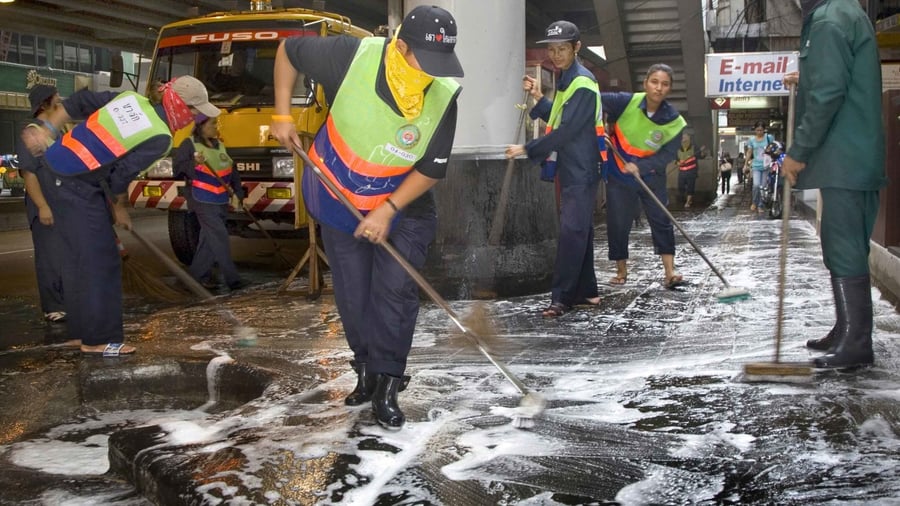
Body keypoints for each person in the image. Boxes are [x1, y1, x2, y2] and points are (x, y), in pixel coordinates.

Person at [271, 5, 463, 429]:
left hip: (405, 206)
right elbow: (288, 51)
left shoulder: (442, 95)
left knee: (395, 294)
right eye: (424, 61)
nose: (432, 73)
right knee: (354, 294)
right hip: (339, 196)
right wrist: (282, 112)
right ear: (402, 46)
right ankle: (366, 370)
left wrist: (387, 209)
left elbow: (431, 168)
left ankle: (389, 383)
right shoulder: (351, 55)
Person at [21, 76, 220, 357]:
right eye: (195, 110)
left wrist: (48, 129)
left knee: (77, 259)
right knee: (101, 261)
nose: (197, 117)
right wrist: (117, 206)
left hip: (53, 170)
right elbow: (120, 176)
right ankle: (100, 339)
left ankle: (81, 334)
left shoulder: (131, 99)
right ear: (180, 106)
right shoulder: (160, 136)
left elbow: (79, 101)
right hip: (78, 183)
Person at [781, 0, 886, 369]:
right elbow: (837, 76)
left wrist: (798, 151)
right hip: (854, 155)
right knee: (843, 243)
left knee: (843, 245)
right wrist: (804, 79)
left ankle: (856, 343)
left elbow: (828, 93)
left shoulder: (828, 20)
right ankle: (847, 330)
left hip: (844, 155)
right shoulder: (847, 13)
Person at [504, 20, 602, 318]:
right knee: (579, 230)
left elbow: (567, 130)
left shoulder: (582, 83)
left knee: (572, 232)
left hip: (581, 168)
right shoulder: (566, 79)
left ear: (577, 48)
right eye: (552, 49)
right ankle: (587, 291)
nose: (556, 55)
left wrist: (527, 148)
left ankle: (561, 298)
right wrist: (538, 96)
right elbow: (559, 118)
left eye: (563, 49)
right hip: (573, 166)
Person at [601, 64, 686, 289]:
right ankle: (621, 270)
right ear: (646, 83)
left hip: (651, 176)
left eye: (665, 84)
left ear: (670, 89)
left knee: (661, 220)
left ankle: (669, 271)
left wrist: (641, 165)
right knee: (618, 223)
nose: (659, 88)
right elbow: (592, 99)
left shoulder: (674, 121)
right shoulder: (626, 101)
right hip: (619, 174)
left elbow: (668, 154)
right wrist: (600, 127)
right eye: (654, 82)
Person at [173, 113, 245, 291]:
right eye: (212, 124)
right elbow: (177, 169)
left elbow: (232, 171)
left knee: (208, 240)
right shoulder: (189, 145)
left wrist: (238, 193)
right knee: (219, 236)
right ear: (201, 126)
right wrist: (193, 163)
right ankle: (233, 279)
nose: (216, 127)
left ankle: (195, 277)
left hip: (220, 199)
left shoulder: (219, 145)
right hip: (201, 199)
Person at [15, 85, 66, 324]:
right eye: (56, 98)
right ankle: (53, 306)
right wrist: (42, 206)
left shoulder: (59, 131)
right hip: (46, 205)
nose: (60, 101)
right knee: (50, 258)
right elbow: (30, 174)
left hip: (65, 204)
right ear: (45, 104)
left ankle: (68, 301)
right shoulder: (32, 133)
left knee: (67, 255)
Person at [745, 121, 774, 213]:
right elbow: (749, 152)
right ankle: (754, 202)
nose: (759, 132)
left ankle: (760, 205)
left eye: (761, 130)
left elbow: (773, 148)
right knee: (756, 185)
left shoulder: (769, 138)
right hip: (756, 166)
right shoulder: (752, 140)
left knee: (763, 186)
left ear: (764, 130)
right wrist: (746, 164)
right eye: (757, 130)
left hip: (766, 165)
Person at [676, 131, 698, 208]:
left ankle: (688, 201)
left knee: (690, 186)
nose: (684, 138)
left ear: (689, 137)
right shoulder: (678, 148)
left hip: (691, 171)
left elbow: (699, 156)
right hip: (682, 171)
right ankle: (688, 199)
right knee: (681, 187)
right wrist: (678, 163)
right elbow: (676, 159)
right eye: (683, 137)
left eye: (685, 136)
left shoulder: (694, 147)